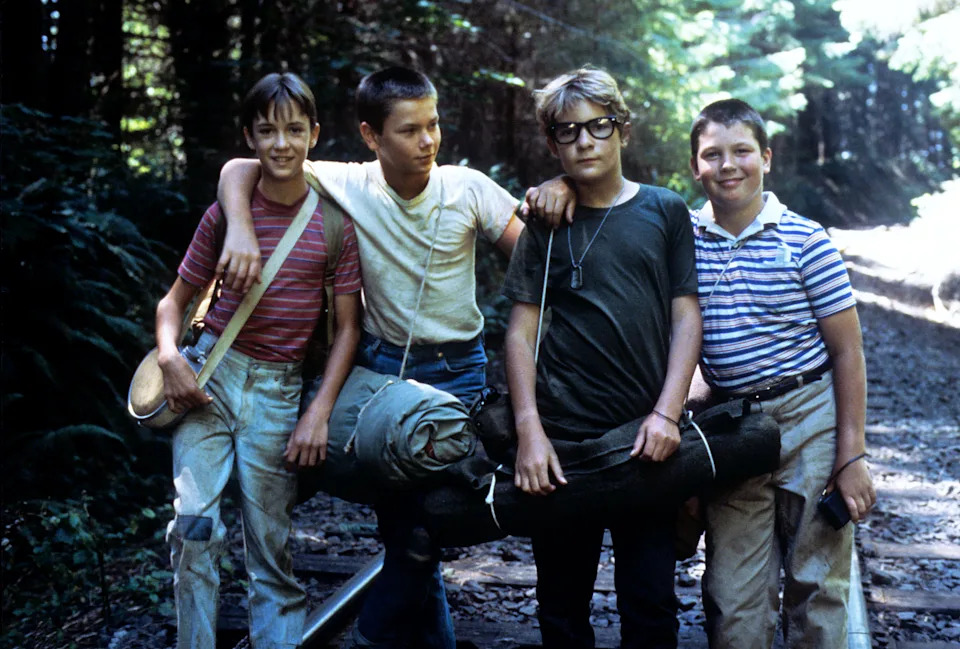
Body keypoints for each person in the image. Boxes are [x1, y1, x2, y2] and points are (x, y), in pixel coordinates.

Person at [215, 66, 573, 649]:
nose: (429, 140)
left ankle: (373, 640)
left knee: (420, 530)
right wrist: (239, 229)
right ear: (370, 135)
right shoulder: (350, 184)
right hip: (381, 373)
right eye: (409, 130)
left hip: (456, 373)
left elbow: (536, 261)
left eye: (433, 125)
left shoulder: (466, 188)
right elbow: (239, 168)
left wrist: (558, 189)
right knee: (406, 530)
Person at [157, 72, 363, 649]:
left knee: (271, 549)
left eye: (294, 129)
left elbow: (349, 329)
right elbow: (172, 303)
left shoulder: (333, 224)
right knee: (193, 530)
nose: (281, 143)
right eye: (267, 130)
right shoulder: (227, 214)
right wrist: (171, 356)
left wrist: (318, 410)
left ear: (314, 135)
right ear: (249, 136)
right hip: (210, 381)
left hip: (278, 393)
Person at [502, 67, 702, 649]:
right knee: (561, 608)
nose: (584, 141)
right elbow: (520, 333)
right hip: (563, 444)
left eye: (598, 126)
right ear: (551, 142)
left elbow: (686, 315)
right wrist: (529, 432)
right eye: (567, 131)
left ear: (623, 131)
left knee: (651, 606)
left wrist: (668, 413)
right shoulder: (544, 222)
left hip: (647, 443)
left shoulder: (664, 212)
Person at [688, 98, 876, 649]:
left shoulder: (806, 240)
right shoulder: (685, 241)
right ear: (695, 167)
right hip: (732, 427)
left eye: (741, 150)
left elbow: (848, 352)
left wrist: (852, 455)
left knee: (817, 585)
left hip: (809, 415)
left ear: (765, 157)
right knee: (731, 597)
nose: (728, 165)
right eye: (712, 154)